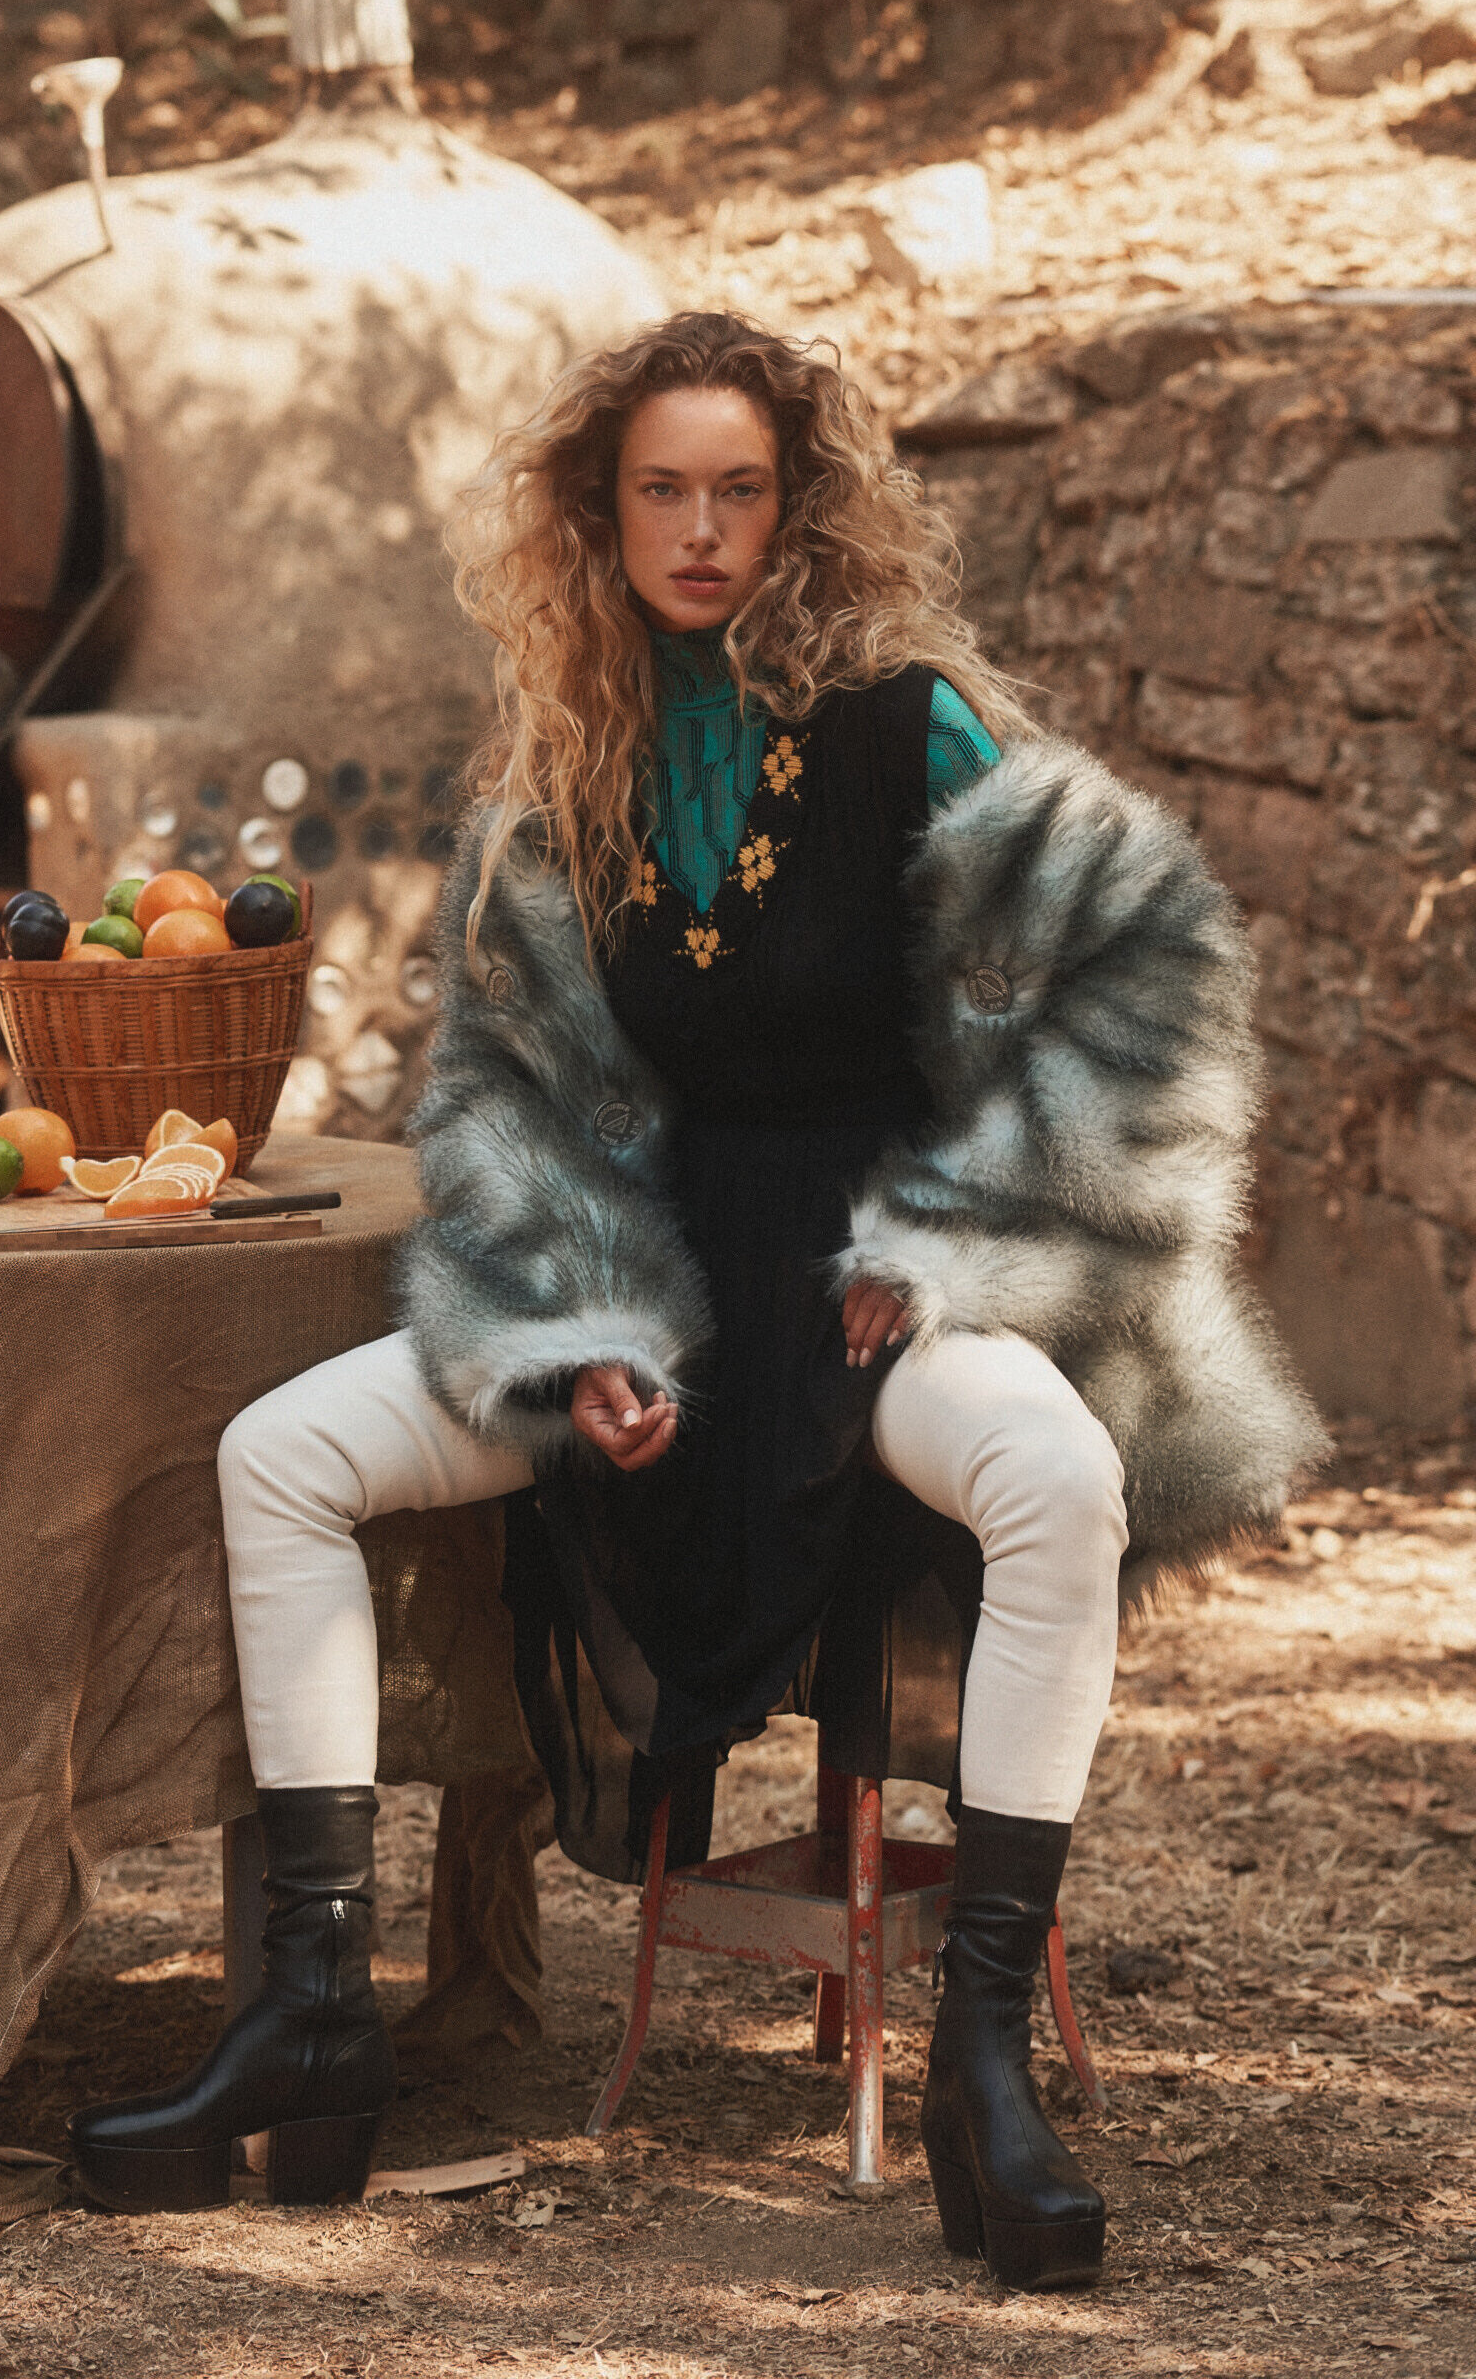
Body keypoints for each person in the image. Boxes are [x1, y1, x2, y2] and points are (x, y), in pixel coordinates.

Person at [70, 312, 1324, 2288]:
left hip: (865, 1290)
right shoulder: (562, 766)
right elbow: (496, 1096)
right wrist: (574, 1326)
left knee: (1059, 1478)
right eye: (660, 487)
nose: (700, 528)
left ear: (799, 505)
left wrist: (953, 1242)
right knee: (284, 1452)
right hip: (645, 1291)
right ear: (599, 507)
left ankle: (977, 2065)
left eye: (740, 488)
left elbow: (1142, 975)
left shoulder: (911, 726)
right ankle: (309, 2018)